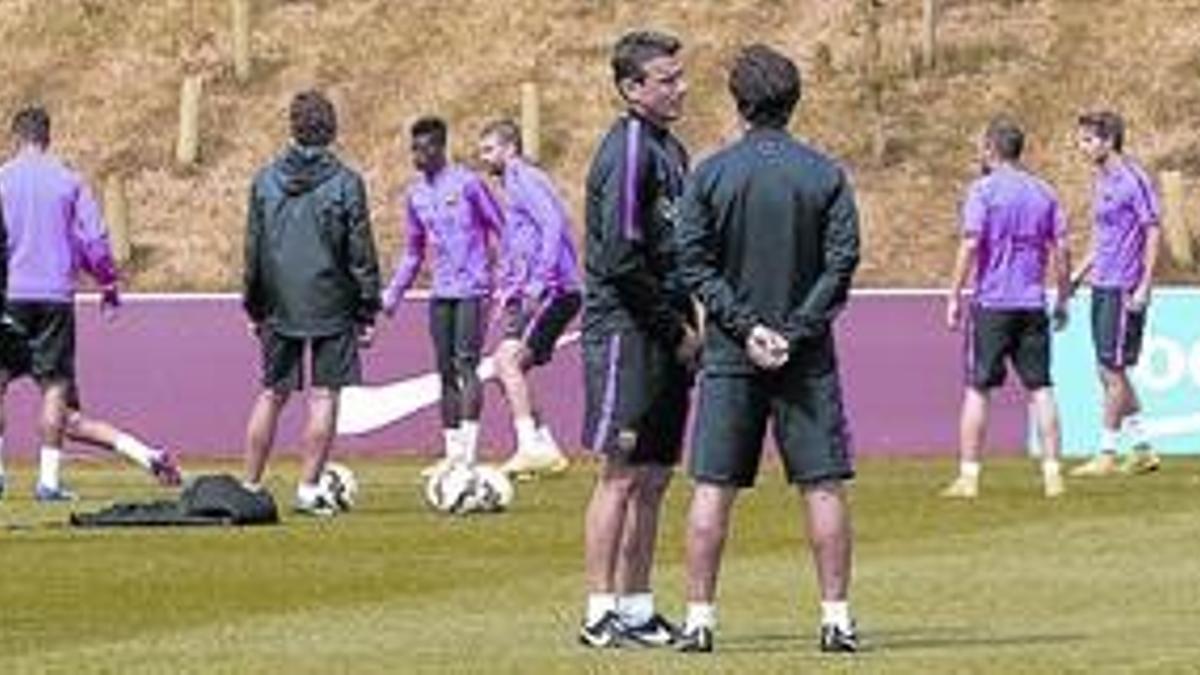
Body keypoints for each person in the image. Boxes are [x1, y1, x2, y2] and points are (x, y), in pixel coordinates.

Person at [674, 44, 861, 654]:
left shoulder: (710, 174)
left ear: (737, 102)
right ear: (794, 99)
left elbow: (694, 263)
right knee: (823, 485)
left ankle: (699, 620)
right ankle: (836, 619)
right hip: (806, 358)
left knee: (713, 487)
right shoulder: (826, 174)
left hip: (732, 353)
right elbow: (841, 264)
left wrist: (744, 326)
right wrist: (796, 328)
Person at [579, 29, 700, 649]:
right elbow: (622, 257)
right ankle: (599, 609)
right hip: (629, 329)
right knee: (620, 473)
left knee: (655, 476)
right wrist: (674, 329)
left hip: (670, 328)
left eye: (680, 76)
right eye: (667, 79)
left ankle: (636, 605)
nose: (681, 88)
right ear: (631, 89)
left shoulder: (672, 151)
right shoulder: (628, 148)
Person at [0, 105, 180, 501]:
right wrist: (108, 282)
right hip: (54, 297)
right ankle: (48, 481)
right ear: (47, 138)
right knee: (55, 389)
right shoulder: (68, 181)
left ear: (16, 138)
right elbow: (93, 240)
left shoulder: (2, 181)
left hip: (10, 293)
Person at [242, 90, 381, 516]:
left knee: (272, 393)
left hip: (280, 302)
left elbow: (254, 249)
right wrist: (367, 307)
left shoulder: (265, 181)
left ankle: (250, 483)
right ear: (332, 130)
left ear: (293, 127)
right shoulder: (345, 182)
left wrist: (254, 305)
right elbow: (360, 250)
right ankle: (307, 488)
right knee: (324, 398)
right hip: (331, 301)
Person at [941, 116, 1071, 501]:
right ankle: (1052, 474)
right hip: (1031, 302)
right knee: (1042, 388)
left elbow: (969, 243)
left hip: (993, 302)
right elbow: (1062, 249)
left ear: (992, 150)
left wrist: (953, 295)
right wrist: (1062, 296)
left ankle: (969, 476)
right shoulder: (1043, 192)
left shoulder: (983, 191)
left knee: (979, 388)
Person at [382, 117, 503, 477]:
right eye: (413, 148)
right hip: (441, 292)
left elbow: (502, 227)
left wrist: (509, 277)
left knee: (467, 365)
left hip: (473, 288)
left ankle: (468, 453)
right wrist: (393, 294)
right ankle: (451, 452)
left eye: (424, 148)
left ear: (440, 147)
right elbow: (413, 251)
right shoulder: (416, 195)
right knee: (444, 371)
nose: (417, 155)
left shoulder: (468, 184)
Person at [476, 119, 581, 479]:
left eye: (489, 149)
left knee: (505, 362)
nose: (483, 157)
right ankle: (545, 448)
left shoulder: (524, 179)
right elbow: (524, 238)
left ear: (510, 148)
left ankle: (529, 446)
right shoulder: (514, 183)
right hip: (539, 288)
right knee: (509, 369)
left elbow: (553, 224)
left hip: (554, 289)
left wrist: (537, 283)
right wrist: (510, 287)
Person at [1068, 111, 1161, 477]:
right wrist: (1080, 272)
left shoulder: (1133, 180)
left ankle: (1106, 452)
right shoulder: (1101, 181)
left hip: (1124, 284)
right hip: (1102, 282)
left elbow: (1152, 230)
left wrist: (1145, 284)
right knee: (1107, 369)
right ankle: (1142, 448)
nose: (1082, 146)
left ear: (1109, 141)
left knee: (1112, 367)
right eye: (1081, 139)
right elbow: (1104, 236)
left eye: (1088, 139)